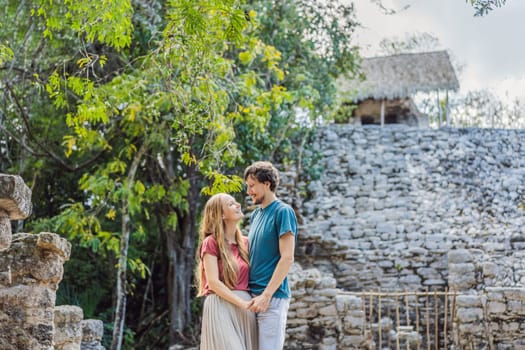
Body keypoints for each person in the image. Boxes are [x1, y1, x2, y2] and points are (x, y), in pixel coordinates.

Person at [244, 161, 298, 350]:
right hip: (251, 298)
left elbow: (287, 257)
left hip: (272, 299)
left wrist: (266, 295)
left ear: (266, 184)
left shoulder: (283, 212)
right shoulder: (255, 215)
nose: (249, 191)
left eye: (252, 186)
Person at [196, 193, 258, 350]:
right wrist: (242, 303)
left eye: (236, 202)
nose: (237, 205)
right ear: (221, 214)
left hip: (245, 309)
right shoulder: (211, 242)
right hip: (220, 306)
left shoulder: (246, 243)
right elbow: (214, 282)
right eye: (231, 204)